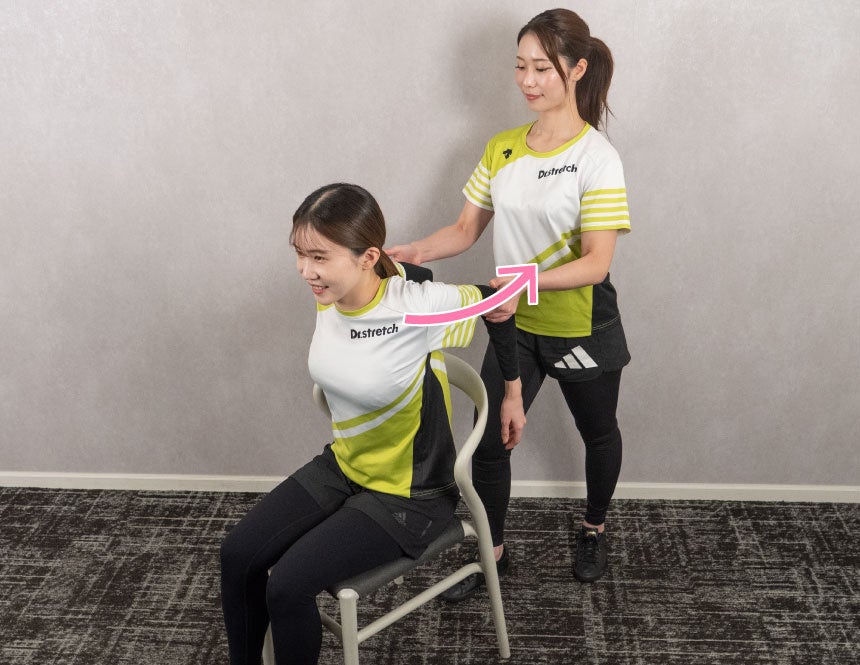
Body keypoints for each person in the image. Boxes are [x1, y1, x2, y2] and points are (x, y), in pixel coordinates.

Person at [220, 183, 526, 665]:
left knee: (287, 587)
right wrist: (403, 263)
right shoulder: (331, 292)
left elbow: (502, 303)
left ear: (366, 257)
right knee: (237, 555)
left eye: (319, 257)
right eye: (300, 254)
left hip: (410, 495)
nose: (305, 271)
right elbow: (394, 275)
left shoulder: (417, 308)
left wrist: (512, 392)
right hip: (345, 466)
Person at [386, 8, 631, 593]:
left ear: (577, 69)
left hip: (579, 325)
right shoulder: (501, 148)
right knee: (490, 442)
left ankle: (593, 527)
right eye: (520, 66)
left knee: (598, 432)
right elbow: (464, 230)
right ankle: (492, 551)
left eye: (542, 68)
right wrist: (411, 250)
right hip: (510, 321)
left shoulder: (597, 158)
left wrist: (520, 284)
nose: (527, 80)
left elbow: (596, 263)